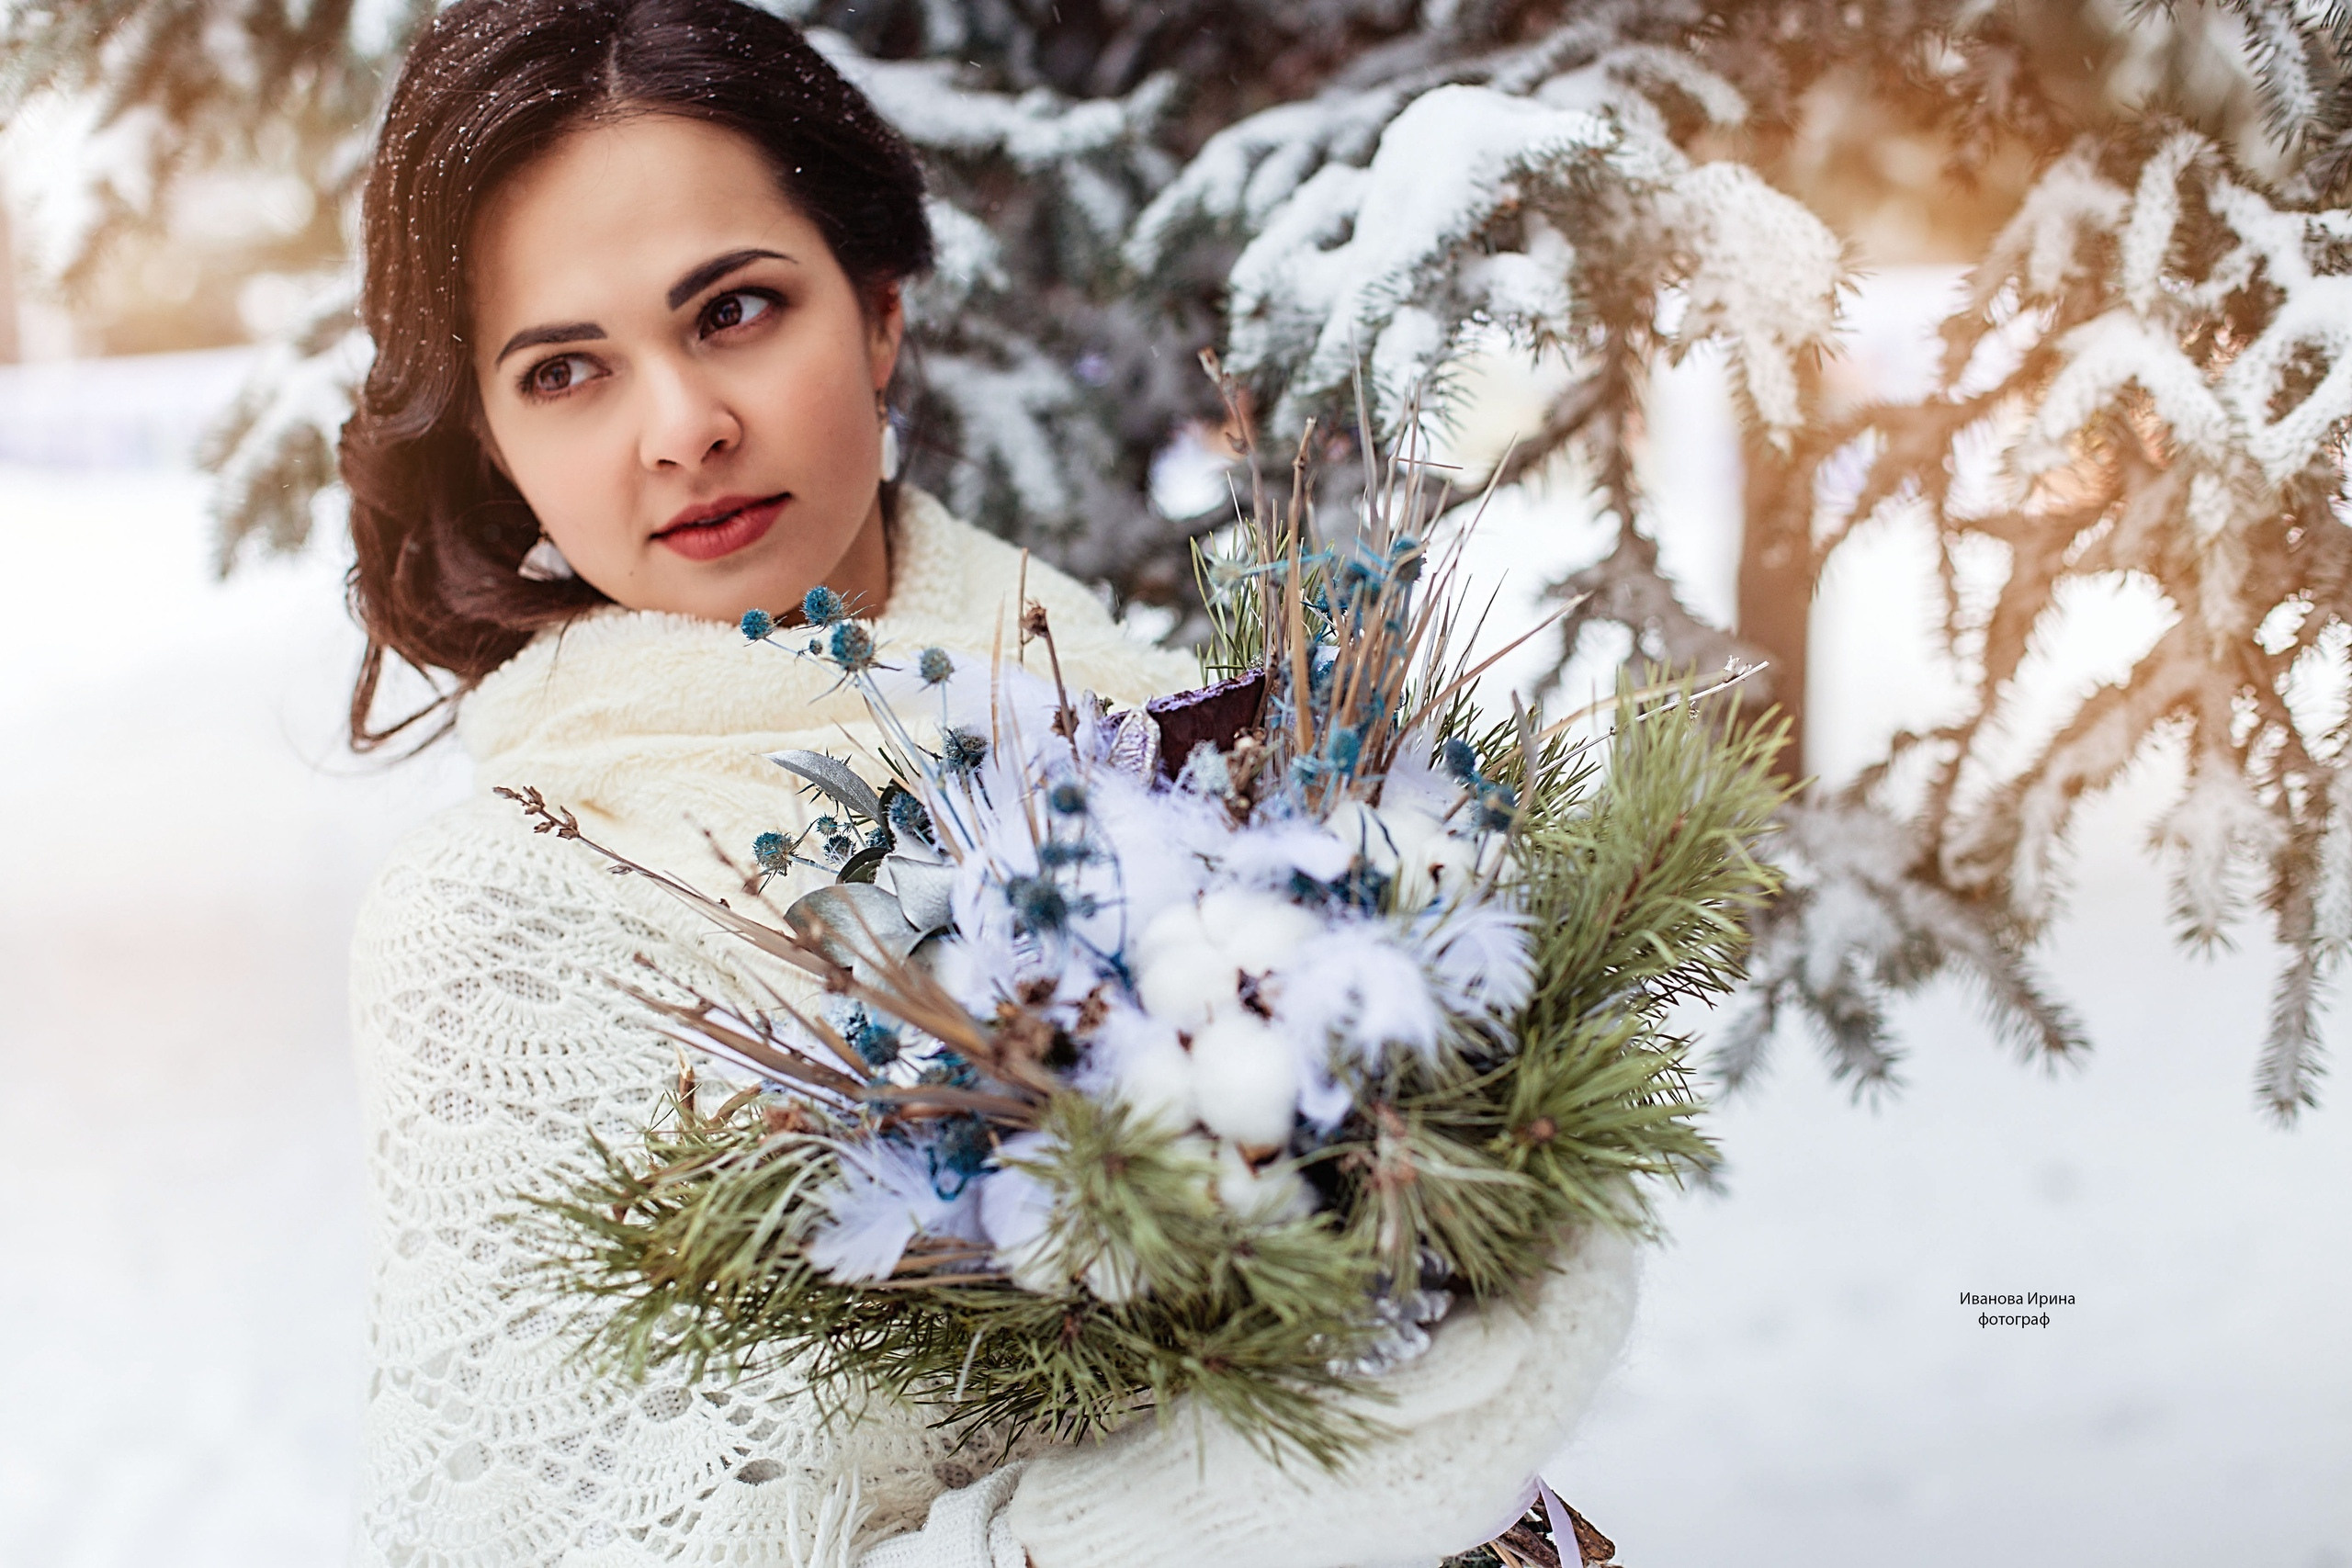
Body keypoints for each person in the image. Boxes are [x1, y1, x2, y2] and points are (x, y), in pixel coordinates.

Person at [342, 4, 1639, 1565]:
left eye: (736, 309)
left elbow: (1516, 1209)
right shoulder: (498, 928)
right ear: (489, 438)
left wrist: (1501, 1303)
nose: (683, 427)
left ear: (880, 313)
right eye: (565, 372)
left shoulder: (1199, 739)